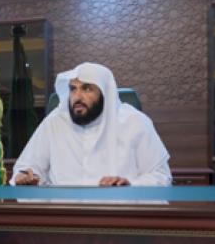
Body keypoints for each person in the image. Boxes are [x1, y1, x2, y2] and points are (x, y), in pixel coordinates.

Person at [11, 62, 171, 186]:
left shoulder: (135, 122)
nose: (77, 97)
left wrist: (130, 185)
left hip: (119, 216)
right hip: (63, 217)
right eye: (73, 89)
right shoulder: (55, 122)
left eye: (87, 89)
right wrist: (26, 176)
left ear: (104, 93)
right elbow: (29, 166)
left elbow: (160, 176)